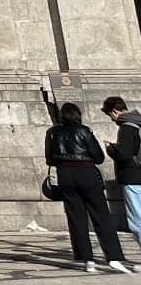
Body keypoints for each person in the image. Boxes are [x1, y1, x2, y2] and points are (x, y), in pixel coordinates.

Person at [48, 101, 131, 272]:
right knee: (101, 216)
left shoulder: (52, 133)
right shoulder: (84, 131)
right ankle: (113, 256)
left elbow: (50, 158)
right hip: (86, 173)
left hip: (65, 175)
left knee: (76, 217)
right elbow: (98, 156)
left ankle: (85, 258)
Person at [104, 97, 141, 250]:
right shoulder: (138, 123)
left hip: (133, 177)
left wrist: (111, 149)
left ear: (115, 111)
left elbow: (124, 155)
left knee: (137, 220)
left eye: (110, 115)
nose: (112, 119)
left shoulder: (126, 128)